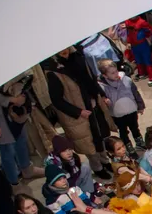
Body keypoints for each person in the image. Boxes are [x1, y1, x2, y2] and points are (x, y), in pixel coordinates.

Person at [40, 48, 111, 181]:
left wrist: (101, 95)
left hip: (94, 105)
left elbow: (91, 79)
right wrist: (78, 112)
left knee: (100, 136)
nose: (64, 51)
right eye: (60, 50)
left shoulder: (78, 57)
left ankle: (105, 161)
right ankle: (97, 168)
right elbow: (57, 100)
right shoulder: (53, 71)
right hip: (79, 115)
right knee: (88, 143)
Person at [0, 86, 43, 188]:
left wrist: (19, 92)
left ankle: (26, 169)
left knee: (21, 139)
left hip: (14, 108)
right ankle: (13, 183)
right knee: (7, 150)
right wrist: (12, 99)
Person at [96, 60, 145, 152]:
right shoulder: (101, 87)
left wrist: (140, 106)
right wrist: (105, 101)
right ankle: (127, 146)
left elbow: (136, 93)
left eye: (116, 71)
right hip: (117, 115)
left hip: (131, 110)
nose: (116, 74)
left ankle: (139, 142)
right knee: (123, 132)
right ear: (105, 75)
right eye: (112, 73)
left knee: (135, 127)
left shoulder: (126, 80)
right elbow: (101, 102)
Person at [124, 15, 152, 85]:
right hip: (134, 45)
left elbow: (151, 30)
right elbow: (128, 33)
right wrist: (128, 42)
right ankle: (142, 73)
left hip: (143, 44)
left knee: (147, 60)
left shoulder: (142, 22)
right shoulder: (127, 22)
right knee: (138, 60)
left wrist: (145, 33)